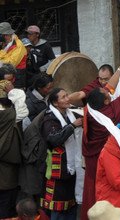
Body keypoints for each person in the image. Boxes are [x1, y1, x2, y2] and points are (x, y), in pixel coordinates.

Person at [81, 52, 120, 220]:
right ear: (106, 101)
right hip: (108, 160)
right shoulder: (114, 110)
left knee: (94, 188)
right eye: (106, 93)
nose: (107, 90)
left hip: (93, 158)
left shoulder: (89, 109)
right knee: (109, 191)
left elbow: (110, 86)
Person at [40, 88, 83, 219]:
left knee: (71, 206)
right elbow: (54, 139)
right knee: (57, 210)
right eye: (63, 97)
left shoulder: (72, 113)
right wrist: (72, 126)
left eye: (67, 95)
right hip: (57, 172)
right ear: (55, 103)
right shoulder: (49, 119)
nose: (67, 99)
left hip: (71, 170)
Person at [0, 80, 24, 218]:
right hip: (7, 174)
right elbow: (23, 108)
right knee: (6, 208)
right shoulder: (10, 115)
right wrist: (13, 91)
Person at [0, 22, 27, 88]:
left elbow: (11, 64)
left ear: (6, 35)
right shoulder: (6, 44)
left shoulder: (18, 46)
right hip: (5, 76)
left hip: (17, 78)